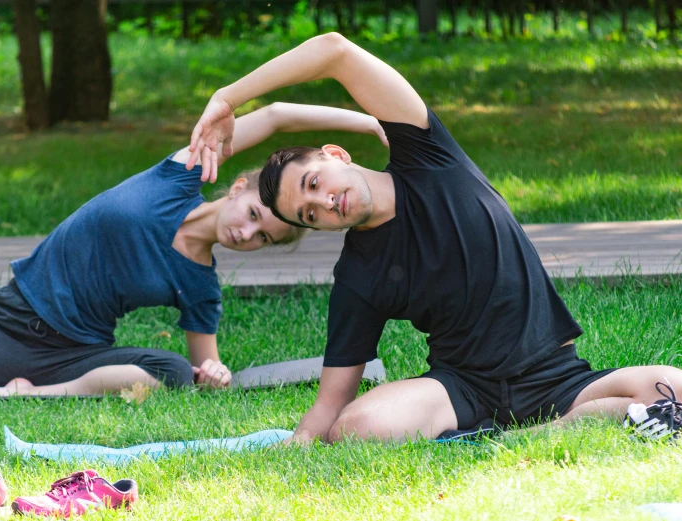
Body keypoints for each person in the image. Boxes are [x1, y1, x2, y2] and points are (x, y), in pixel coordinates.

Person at [186, 32, 682, 443]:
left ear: (335, 155)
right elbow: (331, 404)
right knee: (357, 428)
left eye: (314, 184)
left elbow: (335, 50)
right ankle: (576, 424)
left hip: (558, 376)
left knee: (675, 388)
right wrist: (294, 451)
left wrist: (228, 98)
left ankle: (556, 424)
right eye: (309, 215)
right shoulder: (358, 275)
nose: (324, 204)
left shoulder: (427, 154)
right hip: (464, 390)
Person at [0, 101, 388, 401]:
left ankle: (17, 396)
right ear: (237, 188)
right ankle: (6, 386)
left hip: (74, 357)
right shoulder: (179, 176)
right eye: (255, 217)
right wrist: (370, 123)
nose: (248, 234)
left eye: (263, 239)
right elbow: (278, 115)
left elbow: (203, 366)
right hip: (10, 323)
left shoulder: (201, 283)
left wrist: (213, 373)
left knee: (170, 371)